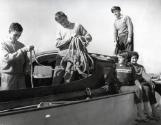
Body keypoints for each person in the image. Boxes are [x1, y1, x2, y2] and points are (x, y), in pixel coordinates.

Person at [52, 11, 92, 85]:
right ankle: (54, 92)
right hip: (62, 56)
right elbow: (57, 44)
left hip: (74, 55)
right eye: (60, 22)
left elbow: (89, 37)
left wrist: (80, 38)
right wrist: (68, 39)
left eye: (63, 20)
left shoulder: (77, 25)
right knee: (57, 76)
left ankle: (67, 92)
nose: (62, 23)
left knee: (68, 78)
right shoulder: (59, 29)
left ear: (66, 17)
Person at [115, 52, 152, 122]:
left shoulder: (130, 67)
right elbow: (110, 78)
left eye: (120, 58)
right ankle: (141, 115)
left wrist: (139, 85)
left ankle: (142, 114)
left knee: (140, 89)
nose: (118, 59)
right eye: (118, 57)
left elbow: (134, 78)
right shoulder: (115, 66)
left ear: (125, 59)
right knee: (137, 89)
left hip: (127, 86)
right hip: (120, 87)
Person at [0, 22, 34, 90]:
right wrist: (23, 50)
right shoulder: (2, 44)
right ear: (9, 31)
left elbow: (26, 60)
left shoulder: (21, 45)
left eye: (19, 36)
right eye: (15, 35)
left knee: (21, 98)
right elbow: (7, 58)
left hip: (21, 77)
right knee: (8, 98)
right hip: (8, 77)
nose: (17, 38)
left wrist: (27, 67)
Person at [130, 51, 160, 120]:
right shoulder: (129, 66)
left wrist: (150, 82)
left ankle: (154, 111)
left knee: (152, 87)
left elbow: (145, 75)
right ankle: (148, 112)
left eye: (136, 58)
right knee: (146, 89)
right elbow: (132, 78)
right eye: (133, 58)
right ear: (130, 58)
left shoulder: (140, 67)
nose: (134, 60)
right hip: (134, 83)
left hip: (142, 82)